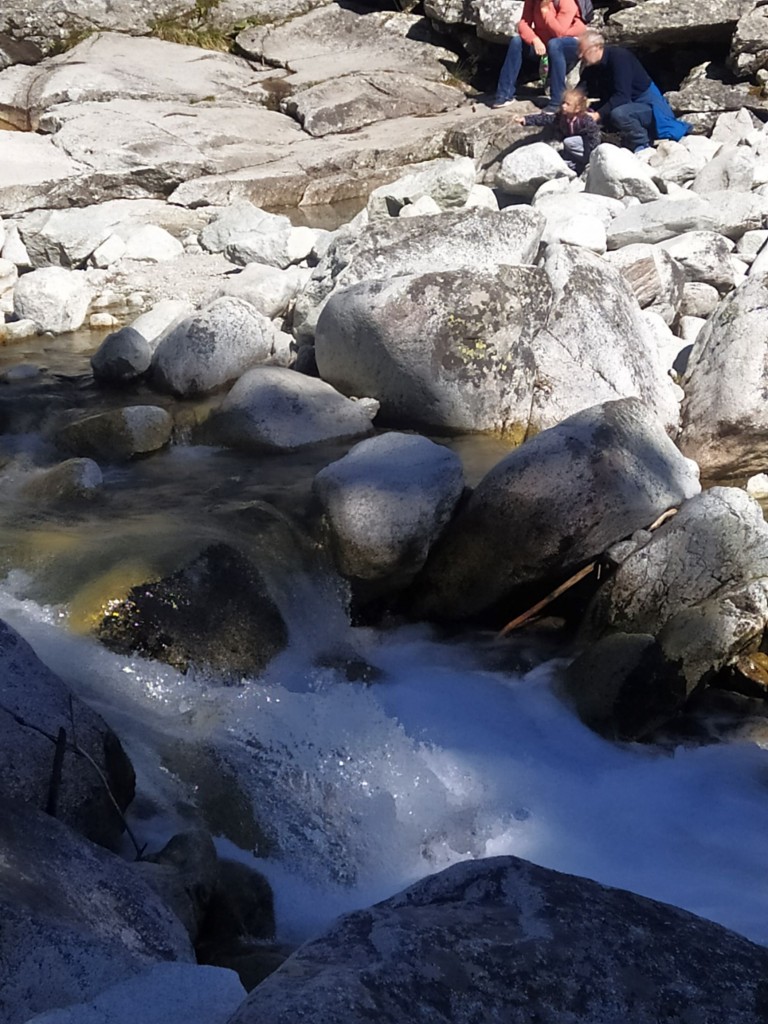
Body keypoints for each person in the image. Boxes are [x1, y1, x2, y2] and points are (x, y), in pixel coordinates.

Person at [576, 29, 691, 153]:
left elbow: (622, 96)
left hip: (649, 107)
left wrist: (597, 115)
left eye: (583, 51)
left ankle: (642, 145)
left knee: (619, 114)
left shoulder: (619, 57)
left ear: (597, 47)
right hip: (630, 105)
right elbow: (581, 90)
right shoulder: (593, 66)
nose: (580, 56)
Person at [493, 0, 586, 112]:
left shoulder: (566, 2)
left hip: (568, 45)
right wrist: (534, 39)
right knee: (516, 42)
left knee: (554, 44)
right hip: (544, 43)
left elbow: (559, 33)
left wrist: (545, 12)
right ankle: (504, 94)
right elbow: (523, 24)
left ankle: (557, 101)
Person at [515, 87, 601, 171]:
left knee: (568, 142)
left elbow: (594, 135)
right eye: (563, 102)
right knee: (564, 154)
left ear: (577, 108)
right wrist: (526, 120)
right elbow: (545, 119)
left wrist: (593, 153)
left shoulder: (585, 120)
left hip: (585, 146)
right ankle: (576, 166)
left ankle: (586, 162)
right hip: (571, 146)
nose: (563, 106)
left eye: (568, 104)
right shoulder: (561, 117)